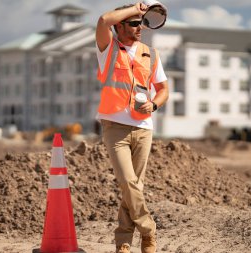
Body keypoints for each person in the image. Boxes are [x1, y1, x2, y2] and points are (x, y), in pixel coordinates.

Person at [95, 2, 169, 253]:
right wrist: (137, 7)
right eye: (136, 23)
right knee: (128, 182)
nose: (141, 27)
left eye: (143, 23)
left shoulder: (151, 54)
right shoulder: (108, 49)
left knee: (135, 185)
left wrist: (154, 105)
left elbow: (163, 90)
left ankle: (123, 242)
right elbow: (104, 20)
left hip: (144, 128)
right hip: (115, 126)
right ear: (121, 25)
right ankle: (149, 231)